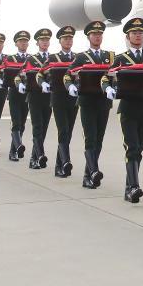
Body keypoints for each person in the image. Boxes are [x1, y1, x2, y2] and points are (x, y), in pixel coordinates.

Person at [102, 17, 143, 203]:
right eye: (134, 33)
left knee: (139, 148)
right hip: (128, 107)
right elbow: (105, 78)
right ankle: (134, 186)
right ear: (128, 36)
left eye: (140, 33)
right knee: (131, 147)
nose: (138, 36)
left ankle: (129, 187)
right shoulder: (120, 59)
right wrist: (108, 89)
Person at [64, 21, 114, 189]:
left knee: (99, 140)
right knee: (90, 138)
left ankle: (89, 175)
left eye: (100, 34)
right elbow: (67, 75)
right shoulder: (81, 57)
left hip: (104, 102)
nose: (97, 36)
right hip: (86, 102)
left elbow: (116, 75)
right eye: (94, 34)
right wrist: (70, 85)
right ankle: (92, 171)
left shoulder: (111, 56)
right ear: (88, 37)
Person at [19, 28, 54, 169]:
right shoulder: (31, 59)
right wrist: (20, 84)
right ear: (37, 43)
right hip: (34, 97)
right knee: (37, 127)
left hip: (49, 97)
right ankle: (39, 156)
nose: (45, 42)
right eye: (42, 40)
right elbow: (20, 75)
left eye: (47, 40)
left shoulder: (53, 58)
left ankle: (34, 157)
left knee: (44, 128)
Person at [49, 26, 79, 178]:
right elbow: (42, 74)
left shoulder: (77, 57)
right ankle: (65, 162)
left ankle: (60, 165)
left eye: (70, 38)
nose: (68, 41)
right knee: (63, 131)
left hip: (73, 99)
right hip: (58, 98)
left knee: (69, 132)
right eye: (65, 38)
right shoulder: (53, 58)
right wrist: (45, 83)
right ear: (60, 41)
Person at [4, 31, 32, 162]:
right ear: (16, 44)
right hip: (14, 94)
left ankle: (13, 150)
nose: (24, 43)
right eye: (21, 41)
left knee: (22, 124)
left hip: (27, 95)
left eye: (25, 41)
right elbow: (1, 73)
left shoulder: (32, 59)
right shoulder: (10, 59)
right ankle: (18, 146)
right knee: (16, 122)